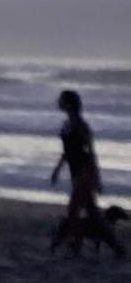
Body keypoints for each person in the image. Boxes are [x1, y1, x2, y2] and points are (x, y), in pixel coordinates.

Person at [50, 89, 104, 227]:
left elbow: (91, 150)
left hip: (85, 170)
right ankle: (117, 247)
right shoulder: (66, 123)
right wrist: (57, 169)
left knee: (73, 209)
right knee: (91, 211)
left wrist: (97, 177)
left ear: (68, 103)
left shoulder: (80, 124)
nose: (58, 102)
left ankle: (74, 244)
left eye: (61, 100)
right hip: (75, 170)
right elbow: (67, 151)